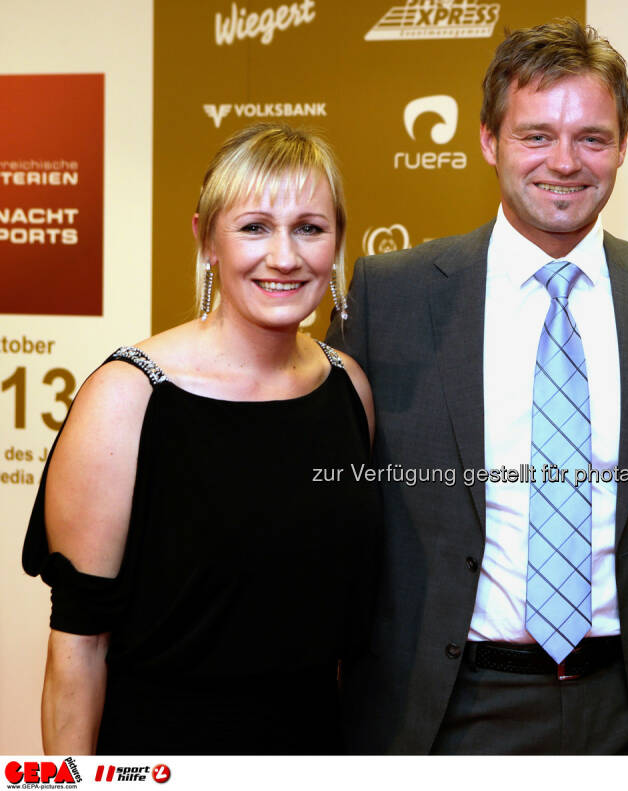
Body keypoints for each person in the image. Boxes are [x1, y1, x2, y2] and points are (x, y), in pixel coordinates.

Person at [325, 17, 628, 754]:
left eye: (592, 137)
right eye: (536, 135)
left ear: (624, 146)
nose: (564, 161)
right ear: (489, 141)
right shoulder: (391, 296)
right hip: (444, 709)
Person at [23, 123, 379, 755]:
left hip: (315, 752)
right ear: (206, 240)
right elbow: (79, 645)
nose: (285, 256)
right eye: (254, 227)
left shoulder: (349, 388)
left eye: (309, 227)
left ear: (338, 244)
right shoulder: (128, 396)